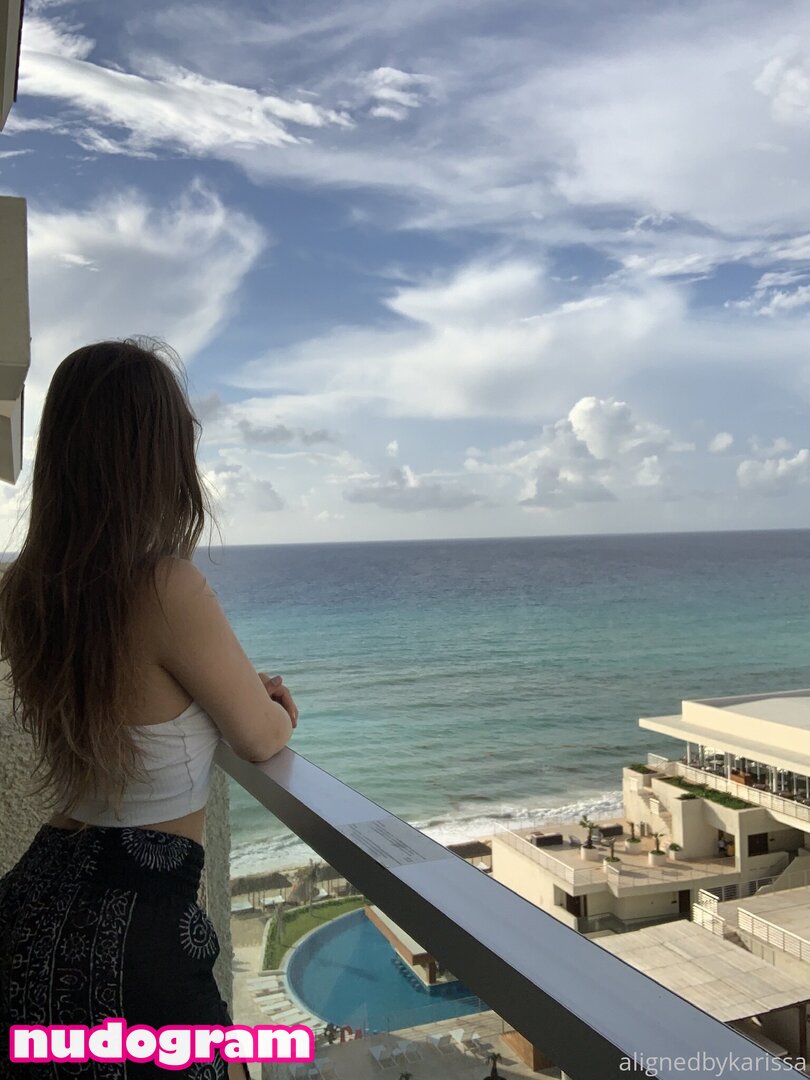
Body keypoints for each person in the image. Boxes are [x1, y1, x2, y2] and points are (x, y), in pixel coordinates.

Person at [0, 338, 297, 1079]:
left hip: (30, 905)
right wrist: (277, 707)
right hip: (135, 929)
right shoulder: (167, 588)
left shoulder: (26, 588)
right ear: (160, 458)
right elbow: (259, 739)